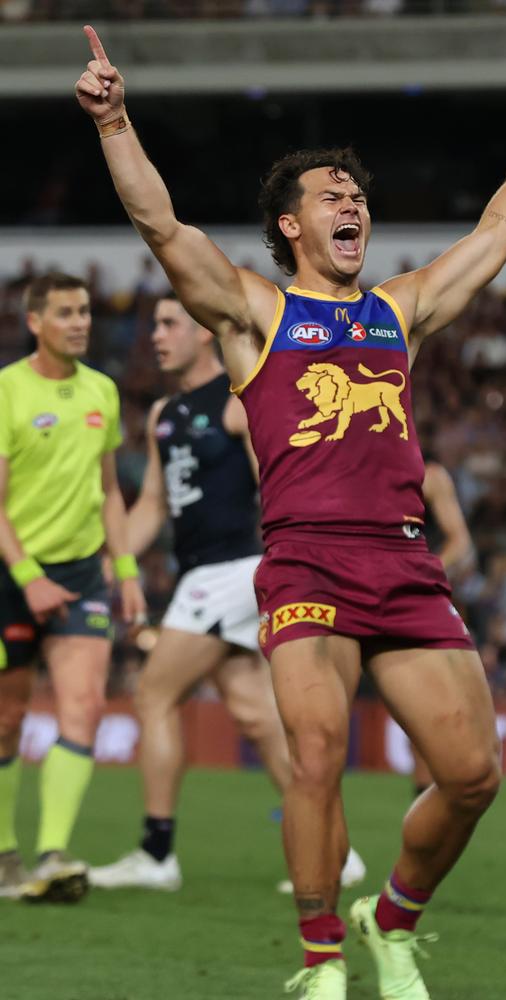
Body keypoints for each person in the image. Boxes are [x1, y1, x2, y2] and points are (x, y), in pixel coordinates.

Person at [76, 27, 506, 997]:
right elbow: (162, 228)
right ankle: (321, 962)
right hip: (307, 561)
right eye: (329, 195)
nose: (350, 201)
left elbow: (497, 233)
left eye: (355, 194)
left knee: (473, 772)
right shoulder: (254, 315)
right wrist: (113, 121)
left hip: (403, 563)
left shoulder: (397, 309)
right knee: (313, 751)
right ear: (290, 227)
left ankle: (387, 919)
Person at [88, 291, 365, 892]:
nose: (157, 334)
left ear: (201, 330)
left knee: (154, 695)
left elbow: (278, 482)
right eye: (154, 324)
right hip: (204, 576)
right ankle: (337, 851)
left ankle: (157, 853)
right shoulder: (164, 411)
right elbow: (154, 507)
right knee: (256, 716)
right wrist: (111, 563)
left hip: (236, 569)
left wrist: (299, 557)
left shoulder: (242, 400)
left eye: (168, 323)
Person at [0, 271, 146, 902]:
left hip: (84, 571)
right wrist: (28, 577)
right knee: (6, 720)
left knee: (83, 705)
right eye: (66, 312)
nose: (81, 322)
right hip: (12, 573)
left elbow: (112, 491)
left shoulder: (103, 392)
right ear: (36, 322)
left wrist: (129, 569)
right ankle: (5, 854)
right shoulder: (6, 390)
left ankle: (53, 852)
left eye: (85, 311)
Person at [411, 460, 475, 798]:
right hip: (356, 595)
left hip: (416, 603)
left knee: (429, 719)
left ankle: (426, 813)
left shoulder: (430, 476)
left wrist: (423, 572)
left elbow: (459, 540)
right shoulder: (352, 465)